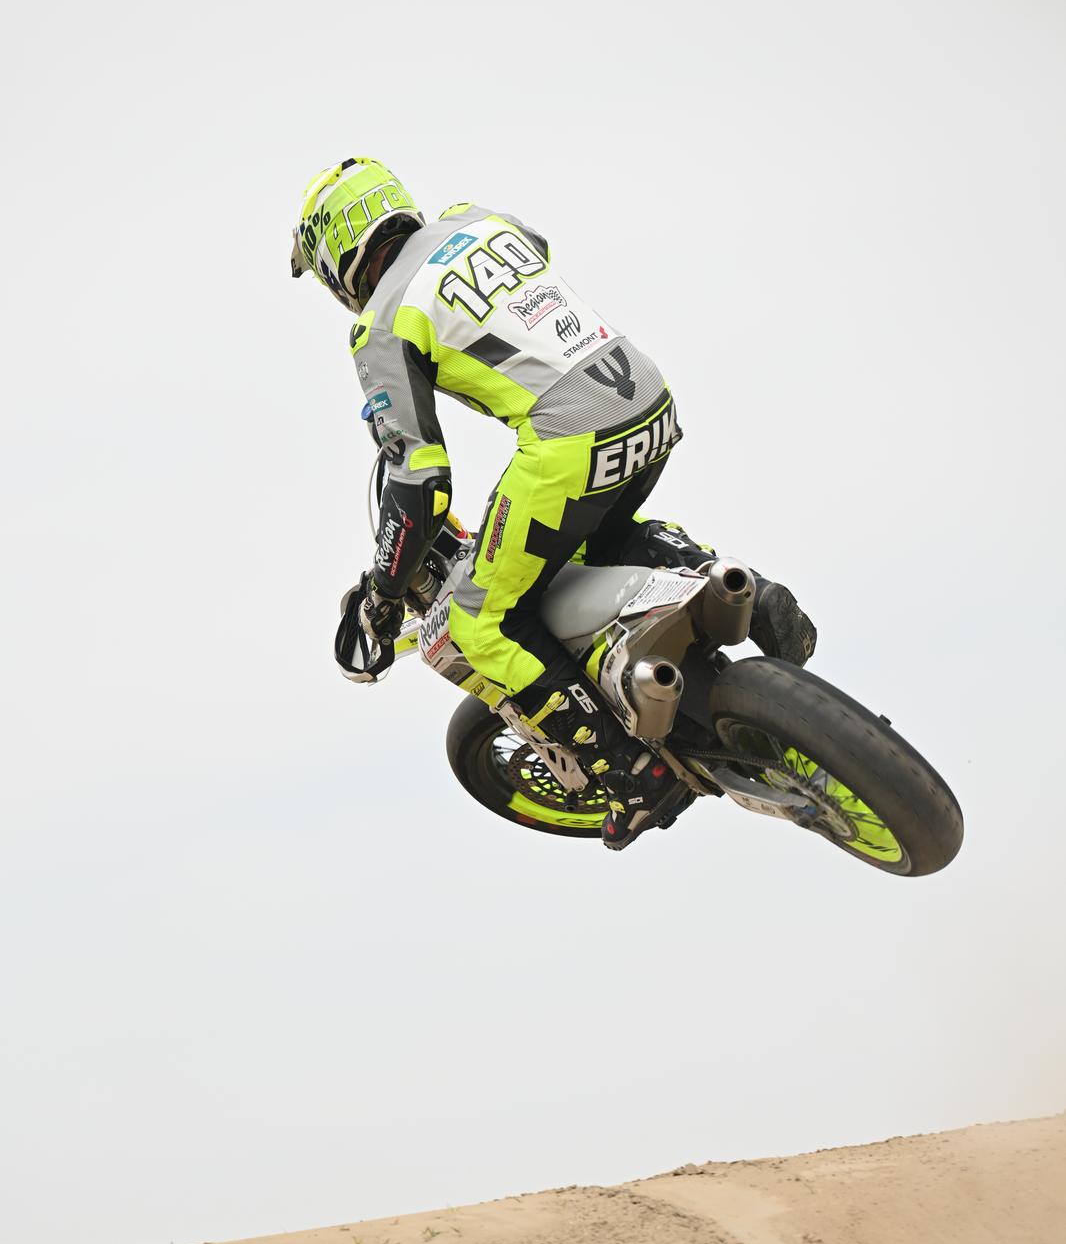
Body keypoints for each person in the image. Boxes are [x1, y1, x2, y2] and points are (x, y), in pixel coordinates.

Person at [291, 157, 816, 848]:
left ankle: (632, 772)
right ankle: (748, 594)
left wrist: (384, 595)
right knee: (599, 540)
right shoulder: (480, 220)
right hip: (646, 398)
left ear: (336, 259)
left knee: (473, 625)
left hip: (569, 441)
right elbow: (533, 253)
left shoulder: (380, 324)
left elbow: (420, 484)